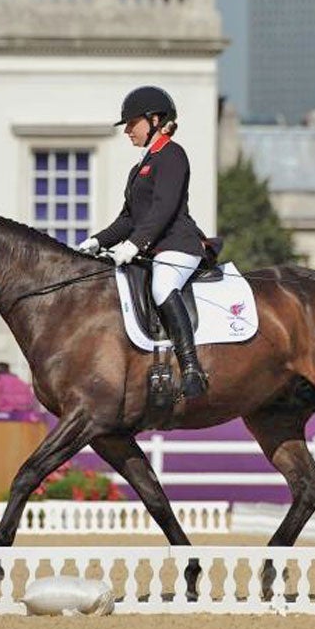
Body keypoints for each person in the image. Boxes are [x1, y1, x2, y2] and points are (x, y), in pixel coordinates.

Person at [77, 85, 209, 401]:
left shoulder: (172, 155)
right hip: (152, 249)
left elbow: (164, 207)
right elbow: (127, 219)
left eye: (131, 123)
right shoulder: (139, 169)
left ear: (154, 120)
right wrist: (95, 242)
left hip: (178, 246)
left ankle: (191, 367)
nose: (127, 131)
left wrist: (135, 244)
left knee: (162, 286)